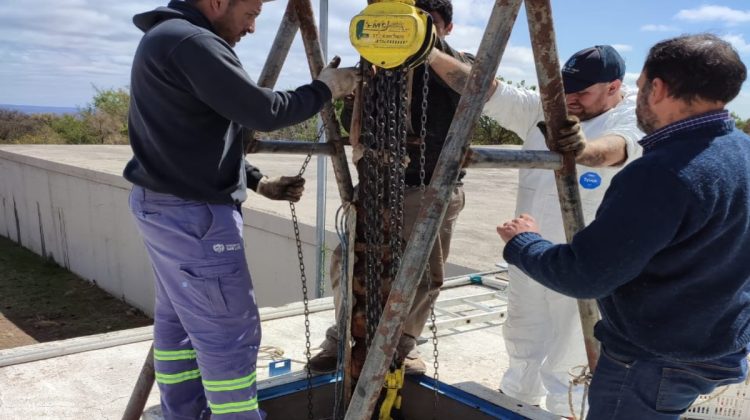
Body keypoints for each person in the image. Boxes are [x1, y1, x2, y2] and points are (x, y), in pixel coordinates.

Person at [124, 0, 358, 418]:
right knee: (229, 334)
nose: (251, 28)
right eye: (250, 14)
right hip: (194, 216)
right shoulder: (191, 41)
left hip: (165, 208)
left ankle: (184, 414)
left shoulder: (165, 39)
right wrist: (328, 87)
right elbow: (261, 111)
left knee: (178, 327)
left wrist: (256, 181)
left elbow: (199, 133)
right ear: (216, 3)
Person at [497, 33, 750, 420]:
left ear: (658, 88)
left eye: (641, 85)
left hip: (653, 360)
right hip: (714, 344)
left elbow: (586, 277)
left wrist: (522, 242)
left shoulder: (663, 171)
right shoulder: (741, 152)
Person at [428, 45, 643, 416]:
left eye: (582, 92)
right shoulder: (545, 109)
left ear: (613, 87)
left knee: (571, 353)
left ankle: (566, 412)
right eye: (564, 90)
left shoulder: (632, 119)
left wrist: (582, 149)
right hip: (528, 251)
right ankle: (513, 403)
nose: (569, 100)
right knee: (522, 338)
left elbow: (615, 150)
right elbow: (484, 89)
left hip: (584, 266)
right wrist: (427, 52)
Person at [307, 0, 471, 376]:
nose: (412, 31)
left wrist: (426, 49)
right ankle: (343, 338)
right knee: (348, 263)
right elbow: (356, 128)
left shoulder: (461, 60)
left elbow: (479, 88)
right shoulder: (377, 65)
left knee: (423, 274)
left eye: (428, 23)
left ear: (446, 28)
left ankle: (402, 346)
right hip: (377, 184)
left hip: (431, 187)